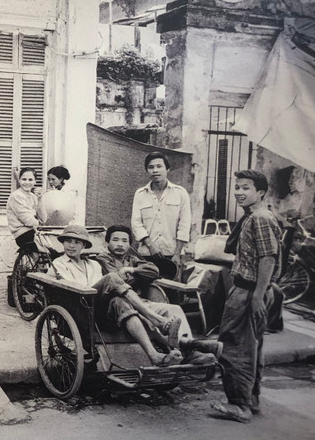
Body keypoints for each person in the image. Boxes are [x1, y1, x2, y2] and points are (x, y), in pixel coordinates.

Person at [48, 225, 184, 366]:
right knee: (112, 277)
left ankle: (153, 354)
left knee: (120, 301)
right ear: (62, 243)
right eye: (68, 241)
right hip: (78, 308)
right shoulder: (58, 264)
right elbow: (70, 289)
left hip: (99, 310)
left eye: (77, 242)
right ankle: (157, 320)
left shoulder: (93, 265)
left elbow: (106, 289)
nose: (72, 245)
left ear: (83, 245)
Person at [211, 170, 280, 423]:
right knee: (251, 347)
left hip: (249, 291)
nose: (239, 192)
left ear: (260, 192)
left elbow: (268, 258)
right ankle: (252, 399)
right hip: (253, 290)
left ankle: (240, 406)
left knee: (233, 347)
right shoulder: (253, 217)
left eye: (246, 188)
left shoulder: (260, 218)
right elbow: (235, 249)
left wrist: (257, 296)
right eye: (237, 187)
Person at [96, 225, 221, 365]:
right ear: (107, 242)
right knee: (134, 303)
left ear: (130, 244)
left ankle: (189, 352)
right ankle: (183, 345)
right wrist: (139, 276)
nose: (120, 244)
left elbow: (154, 270)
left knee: (173, 309)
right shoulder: (101, 259)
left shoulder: (133, 260)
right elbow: (118, 278)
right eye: (115, 240)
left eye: (124, 241)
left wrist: (132, 269)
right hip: (115, 304)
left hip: (141, 302)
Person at [131, 152, 191, 264]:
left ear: (167, 169)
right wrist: (151, 246)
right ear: (147, 171)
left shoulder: (180, 193)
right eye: (151, 167)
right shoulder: (140, 194)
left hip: (173, 255)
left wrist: (177, 254)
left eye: (159, 166)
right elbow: (136, 223)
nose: (155, 170)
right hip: (147, 254)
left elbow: (184, 225)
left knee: (173, 282)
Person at [6, 167, 41, 248]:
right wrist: (44, 225)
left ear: (35, 181)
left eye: (30, 180)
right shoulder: (17, 196)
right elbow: (28, 220)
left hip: (33, 231)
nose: (27, 182)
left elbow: (39, 215)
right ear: (19, 180)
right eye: (24, 179)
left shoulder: (33, 196)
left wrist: (40, 199)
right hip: (23, 234)